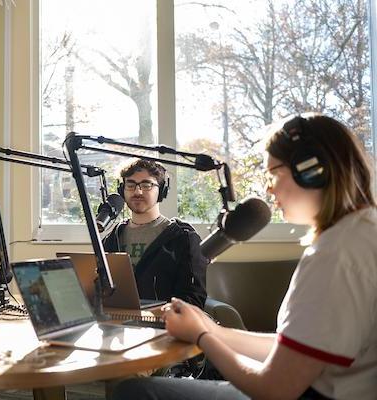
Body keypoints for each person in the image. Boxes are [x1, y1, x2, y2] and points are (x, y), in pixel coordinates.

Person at [112, 113, 377, 399]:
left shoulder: (335, 254)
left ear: (312, 170)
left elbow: (274, 389)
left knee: (136, 391)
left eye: (273, 173)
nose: (268, 188)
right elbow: (290, 348)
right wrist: (211, 330)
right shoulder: (358, 234)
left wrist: (202, 338)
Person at [103, 158, 207, 308]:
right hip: (119, 323)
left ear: (162, 191)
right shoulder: (112, 238)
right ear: (122, 190)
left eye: (146, 185)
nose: (137, 191)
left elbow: (194, 298)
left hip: (164, 325)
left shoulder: (183, 238)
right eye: (131, 185)